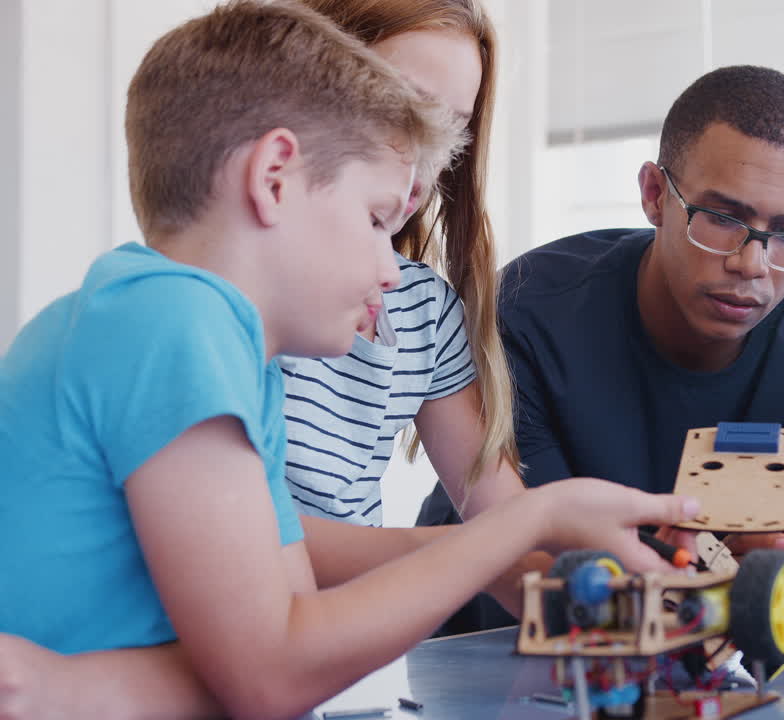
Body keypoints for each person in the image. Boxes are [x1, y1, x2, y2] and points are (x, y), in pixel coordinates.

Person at [0, 3, 698, 718]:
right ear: (274, 175)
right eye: (373, 219)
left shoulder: (214, 347)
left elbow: (290, 629)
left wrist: (86, 688)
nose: (392, 270)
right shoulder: (175, 323)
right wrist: (529, 521)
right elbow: (274, 673)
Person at [422, 65, 784, 646]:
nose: (752, 265)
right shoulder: (529, 312)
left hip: (709, 656)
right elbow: (543, 565)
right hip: (490, 643)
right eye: (723, 220)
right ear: (654, 195)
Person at [282, 0, 524, 526]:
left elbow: (505, 527)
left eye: (452, 127)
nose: (424, 159)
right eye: (404, 110)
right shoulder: (223, 297)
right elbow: (255, 552)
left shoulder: (423, 309)